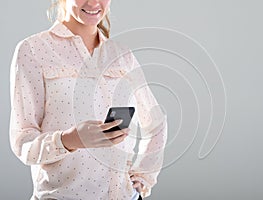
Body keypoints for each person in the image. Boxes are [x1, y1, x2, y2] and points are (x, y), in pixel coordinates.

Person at [9, 0, 167, 199]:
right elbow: (23, 141)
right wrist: (69, 140)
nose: (94, 2)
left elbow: (156, 121)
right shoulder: (33, 50)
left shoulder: (122, 55)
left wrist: (144, 176)